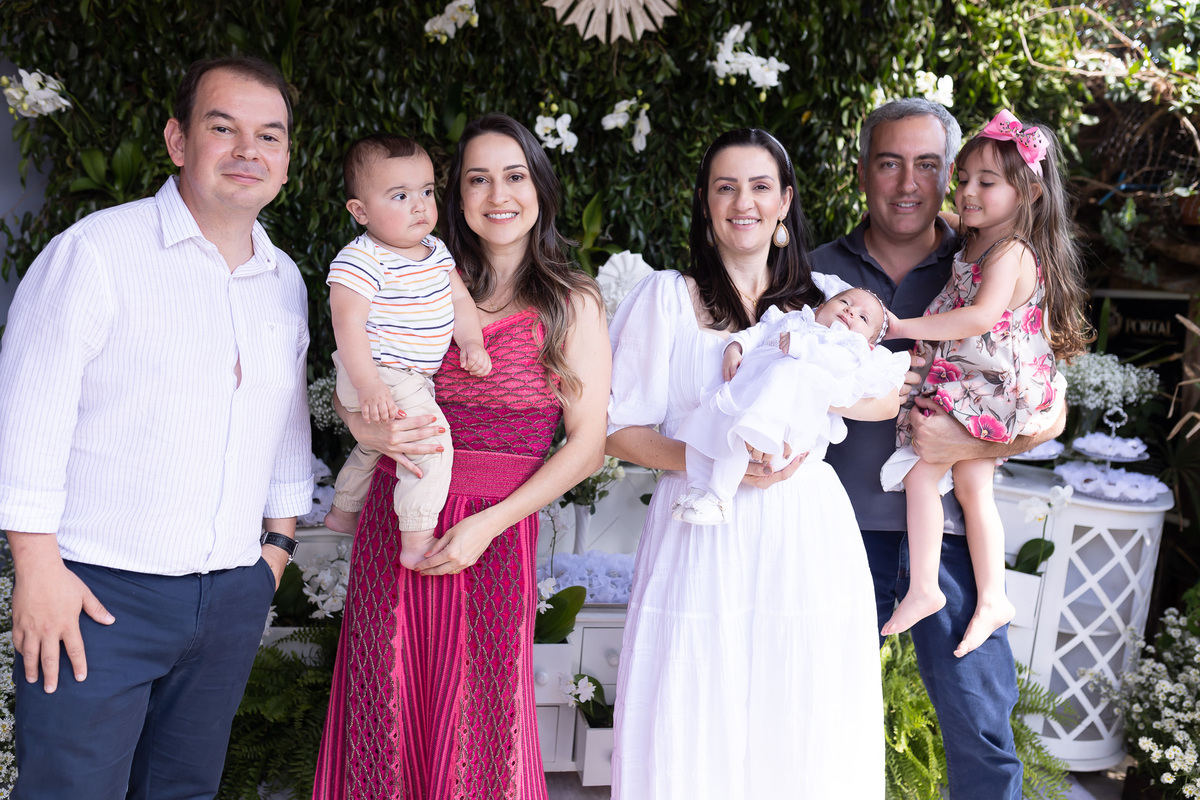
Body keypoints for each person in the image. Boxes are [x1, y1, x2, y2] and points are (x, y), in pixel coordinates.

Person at [0, 56, 312, 799]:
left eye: (269, 135)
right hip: (97, 595)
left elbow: (284, 421)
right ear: (178, 140)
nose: (248, 150)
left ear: (285, 160)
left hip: (230, 593)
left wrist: (274, 552)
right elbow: (26, 416)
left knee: (184, 793)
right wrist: (37, 570)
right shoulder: (97, 253)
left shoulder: (285, 280)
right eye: (223, 128)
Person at [312, 113, 611, 800]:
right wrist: (364, 428)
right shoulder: (414, 277)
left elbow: (588, 447)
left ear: (539, 187)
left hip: (495, 534)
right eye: (478, 179)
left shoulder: (571, 303)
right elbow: (358, 374)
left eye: (514, 176)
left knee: (480, 718)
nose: (497, 194)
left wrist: (487, 525)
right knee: (385, 705)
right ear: (457, 196)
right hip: (400, 519)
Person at [608, 128, 899, 799]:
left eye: (760, 186)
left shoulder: (826, 301)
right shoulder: (665, 298)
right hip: (700, 526)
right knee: (692, 700)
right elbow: (616, 430)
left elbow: (885, 396)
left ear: (784, 202)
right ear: (706, 203)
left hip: (804, 528)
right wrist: (711, 457)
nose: (744, 202)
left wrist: (807, 377)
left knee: (798, 711)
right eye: (726, 187)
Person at [812, 98, 1066, 800]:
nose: (907, 183)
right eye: (889, 163)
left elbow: (1050, 407)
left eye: (927, 165)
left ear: (948, 174)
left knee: (981, 732)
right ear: (862, 171)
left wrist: (966, 439)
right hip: (837, 531)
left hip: (952, 538)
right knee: (813, 719)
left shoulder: (985, 257)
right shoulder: (815, 270)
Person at [878, 111, 1091, 655]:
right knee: (974, 490)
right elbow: (952, 216)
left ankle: (925, 587)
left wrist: (901, 327)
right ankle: (993, 596)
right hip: (979, 383)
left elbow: (979, 317)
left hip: (991, 386)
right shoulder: (978, 238)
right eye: (964, 178)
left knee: (922, 477)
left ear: (1030, 193)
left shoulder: (1011, 251)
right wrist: (942, 212)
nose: (969, 191)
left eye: (987, 182)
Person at [322, 133, 492, 570]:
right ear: (360, 211)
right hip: (379, 370)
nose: (420, 206)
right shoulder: (362, 260)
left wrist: (471, 341)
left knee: (381, 444)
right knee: (430, 443)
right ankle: (416, 538)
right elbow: (347, 325)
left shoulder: (435, 251)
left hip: (408, 376)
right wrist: (369, 384)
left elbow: (459, 302)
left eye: (427, 192)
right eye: (400, 196)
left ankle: (343, 509)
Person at [673, 287, 909, 524]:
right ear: (820, 308)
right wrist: (735, 348)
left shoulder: (849, 346)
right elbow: (758, 333)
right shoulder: (792, 320)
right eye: (844, 301)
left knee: (737, 437)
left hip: (784, 427)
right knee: (708, 428)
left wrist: (800, 346)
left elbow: (837, 363)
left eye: (863, 317)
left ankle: (718, 498)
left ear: (868, 344)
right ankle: (698, 489)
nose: (851, 311)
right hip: (745, 397)